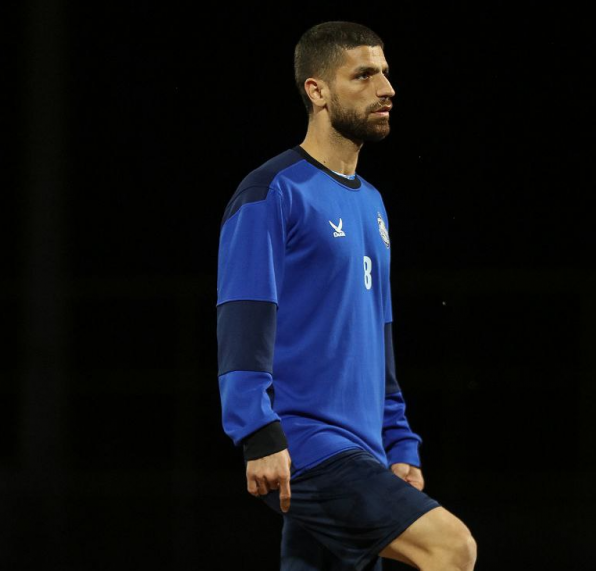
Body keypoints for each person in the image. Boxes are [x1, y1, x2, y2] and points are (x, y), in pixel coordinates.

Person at [216, 21, 477, 570]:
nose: (387, 88)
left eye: (385, 73)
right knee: (451, 548)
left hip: (365, 450)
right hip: (308, 446)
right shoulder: (273, 191)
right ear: (317, 91)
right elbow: (243, 315)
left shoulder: (372, 203)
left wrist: (398, 442)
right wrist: (256, 430)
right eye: (364, 75)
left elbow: (377, 332)